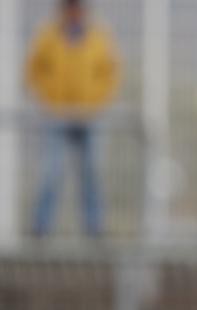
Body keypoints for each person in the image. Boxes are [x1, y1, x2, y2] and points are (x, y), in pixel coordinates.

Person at [25, 0, 120, 237]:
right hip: (57, 115)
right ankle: (40, 228)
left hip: (89, 115)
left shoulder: (98, 36)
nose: (73, 13)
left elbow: (110, 73)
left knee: (91, 174)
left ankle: (94, 229)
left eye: (77, 8)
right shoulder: (48, 36)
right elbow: (33, 70)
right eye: (69, 8)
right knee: (51, 173)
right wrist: (49, 97)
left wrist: (95, 100)